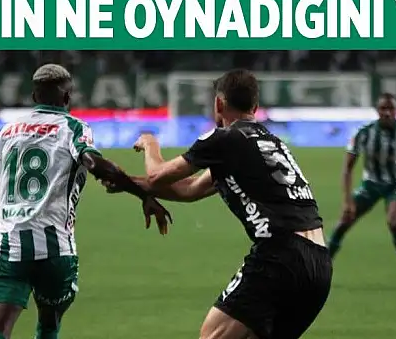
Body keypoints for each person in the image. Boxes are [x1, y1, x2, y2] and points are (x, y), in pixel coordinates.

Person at [104, 69, 332, 339]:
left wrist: (150, 142)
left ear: (219, 103)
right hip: (319, 266)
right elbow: (189, 189)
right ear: (255, 106)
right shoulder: (271, 143)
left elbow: (157, 175)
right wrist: (127, 183)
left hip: (280, 257)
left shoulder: (224, 138)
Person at [0, 64, 172, 339]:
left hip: (12, 246)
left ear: (33, 96)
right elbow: (94, 163)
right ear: (67, 97)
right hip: (56, 248)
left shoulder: (6, 132)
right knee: (48, 326)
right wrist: (143, 194)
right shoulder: (73, 127)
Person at [328, 93, 396, 289]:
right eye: (383, 109)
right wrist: (347, 201)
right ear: (377, 110)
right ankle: (322, 266)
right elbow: (347, 168)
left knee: (394, 223)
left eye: (391, 109)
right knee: (344, 222)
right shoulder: (364, 133)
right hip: (371, 184)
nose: (387, 113)